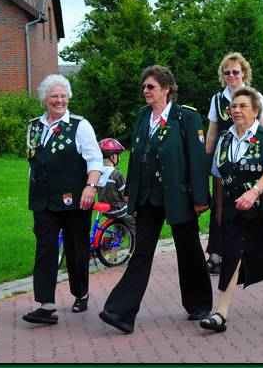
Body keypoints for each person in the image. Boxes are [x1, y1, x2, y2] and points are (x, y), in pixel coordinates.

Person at [99, 65, 212, 334]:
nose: (145, 91)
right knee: (142, 252)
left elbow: (197, 160)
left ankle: (199, 304)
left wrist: (200, 198)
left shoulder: (186, 118)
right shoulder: (142, 117)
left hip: (179, 196)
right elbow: (137, 157)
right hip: (148, 198)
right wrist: (131, 191)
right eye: (144, 87)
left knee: (189, 249)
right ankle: (120, 312)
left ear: (166, 89)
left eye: (151, 87)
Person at [200, 87, 263, 333]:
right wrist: (219, 209)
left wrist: (254, 193)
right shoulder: (225, 139)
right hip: (236, 209)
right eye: (234, 106)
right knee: (232, 254)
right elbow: (218, 176)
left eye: (243, 106)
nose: (237, 110)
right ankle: (220, 313)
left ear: (255, 111)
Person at [22, 74, 103, 325]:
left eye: (63, 96)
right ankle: (46, 305)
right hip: (43, 200)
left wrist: (91, 186)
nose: (59, 100)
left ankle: (81, 293)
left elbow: (95, 159)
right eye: (54, 96)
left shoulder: (80, 125)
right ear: (44, 99)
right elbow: (33, 161)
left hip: (75, 199)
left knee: (76, 248)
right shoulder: (34, 126)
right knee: (45, 249)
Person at [204, 52, 263, 275]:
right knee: (220, 207)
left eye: (235, 72)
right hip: (224, 160)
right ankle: (216, 253)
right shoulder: (217, 100)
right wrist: (206, 161)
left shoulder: (256, 97)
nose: (231, 76)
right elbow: (212, 132)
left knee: (251, 205)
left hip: (250, 160)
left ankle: (251, 252)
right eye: (227, 73)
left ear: (244, 73)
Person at [97, 138, 135, 228]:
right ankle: (135, 237)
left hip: (106, 211)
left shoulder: (97, 173)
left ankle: (117, 232)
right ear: (113, 156)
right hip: (119, 211)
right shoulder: (116, 174)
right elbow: (125, 195)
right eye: (118, 155)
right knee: (135, 222)